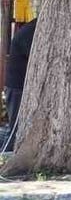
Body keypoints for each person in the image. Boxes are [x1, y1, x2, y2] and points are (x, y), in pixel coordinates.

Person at [3, 18, 35, 152]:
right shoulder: (30, 32)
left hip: (21, 85)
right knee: (16, 127)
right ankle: (7, 153)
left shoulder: (31, 29)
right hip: (17, 86)